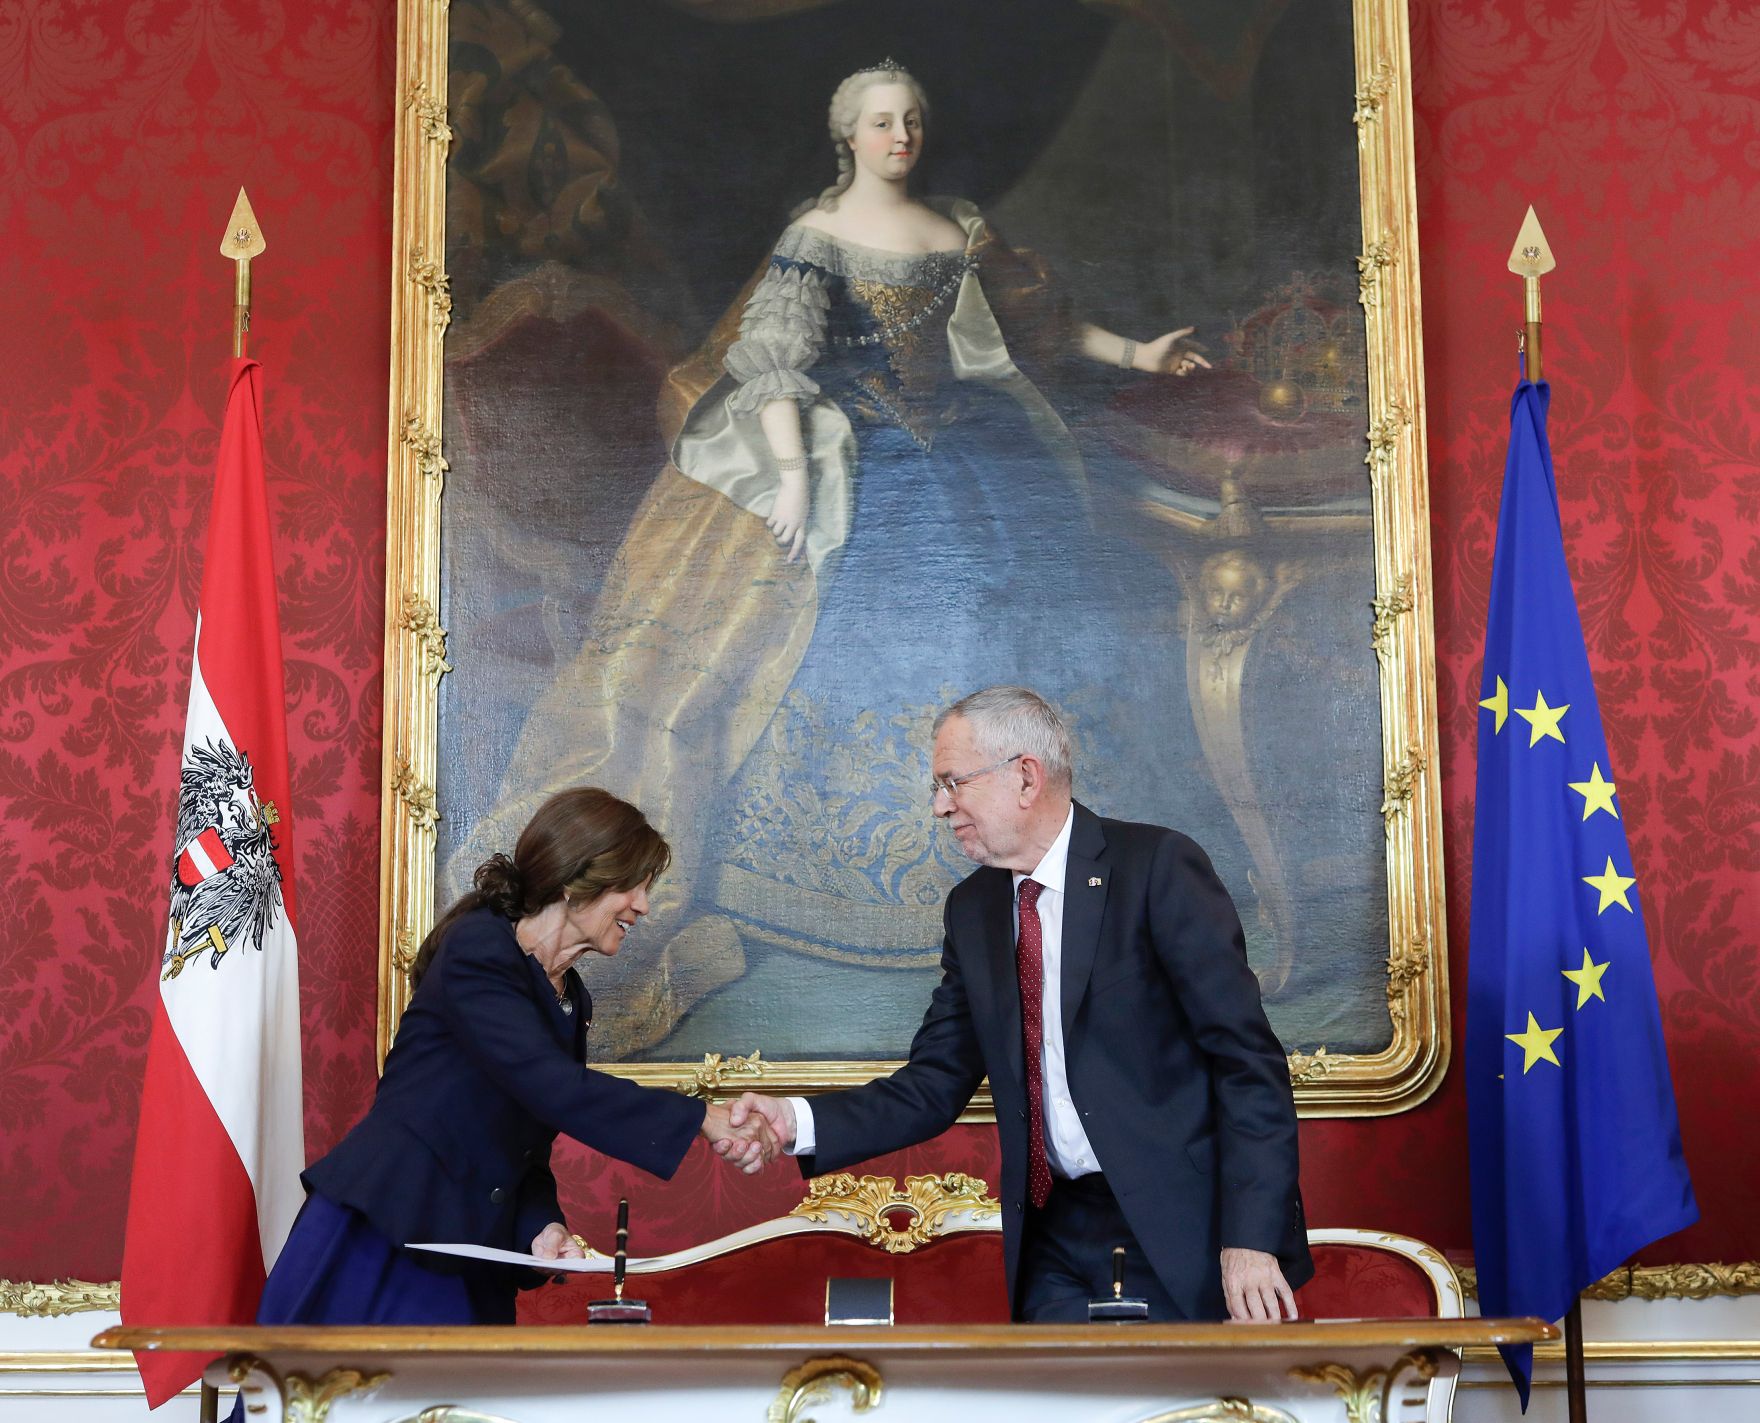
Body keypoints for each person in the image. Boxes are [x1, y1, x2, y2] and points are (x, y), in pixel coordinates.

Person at [455, 61, 1211, 1058]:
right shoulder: (816, 238)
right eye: (879, 123)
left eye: (910, 121)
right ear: (846, 136)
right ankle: (836, 884)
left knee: (1045, 597)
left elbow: (1038, 330)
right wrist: (795, 481)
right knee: (880, 607)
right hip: (849, 445)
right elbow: (768, 361)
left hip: (975, 446)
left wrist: (1140, 357)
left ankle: (1038, 858)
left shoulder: (957, 228)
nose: (899, 137)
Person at [728, 687, 1312, 1323]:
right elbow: (934, 1083)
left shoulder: (1156, 869)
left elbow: (1246, 1063)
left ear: (1025, 777)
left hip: (1182, 1233)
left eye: (952, 783)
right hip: (1052, 1238)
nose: (938, 806)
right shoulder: (974, 910)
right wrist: (794, 1120)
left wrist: (1250, 1241)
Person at [254, 787, 778, 1329]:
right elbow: (550, 1085)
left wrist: (540, 1225)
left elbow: (524, 1143)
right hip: (389, 1231)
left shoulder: (570, 998)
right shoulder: (479, 948)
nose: (643, 906)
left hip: (466, 1248)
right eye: (633, 886)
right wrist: (702, 1118)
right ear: (577, 879)